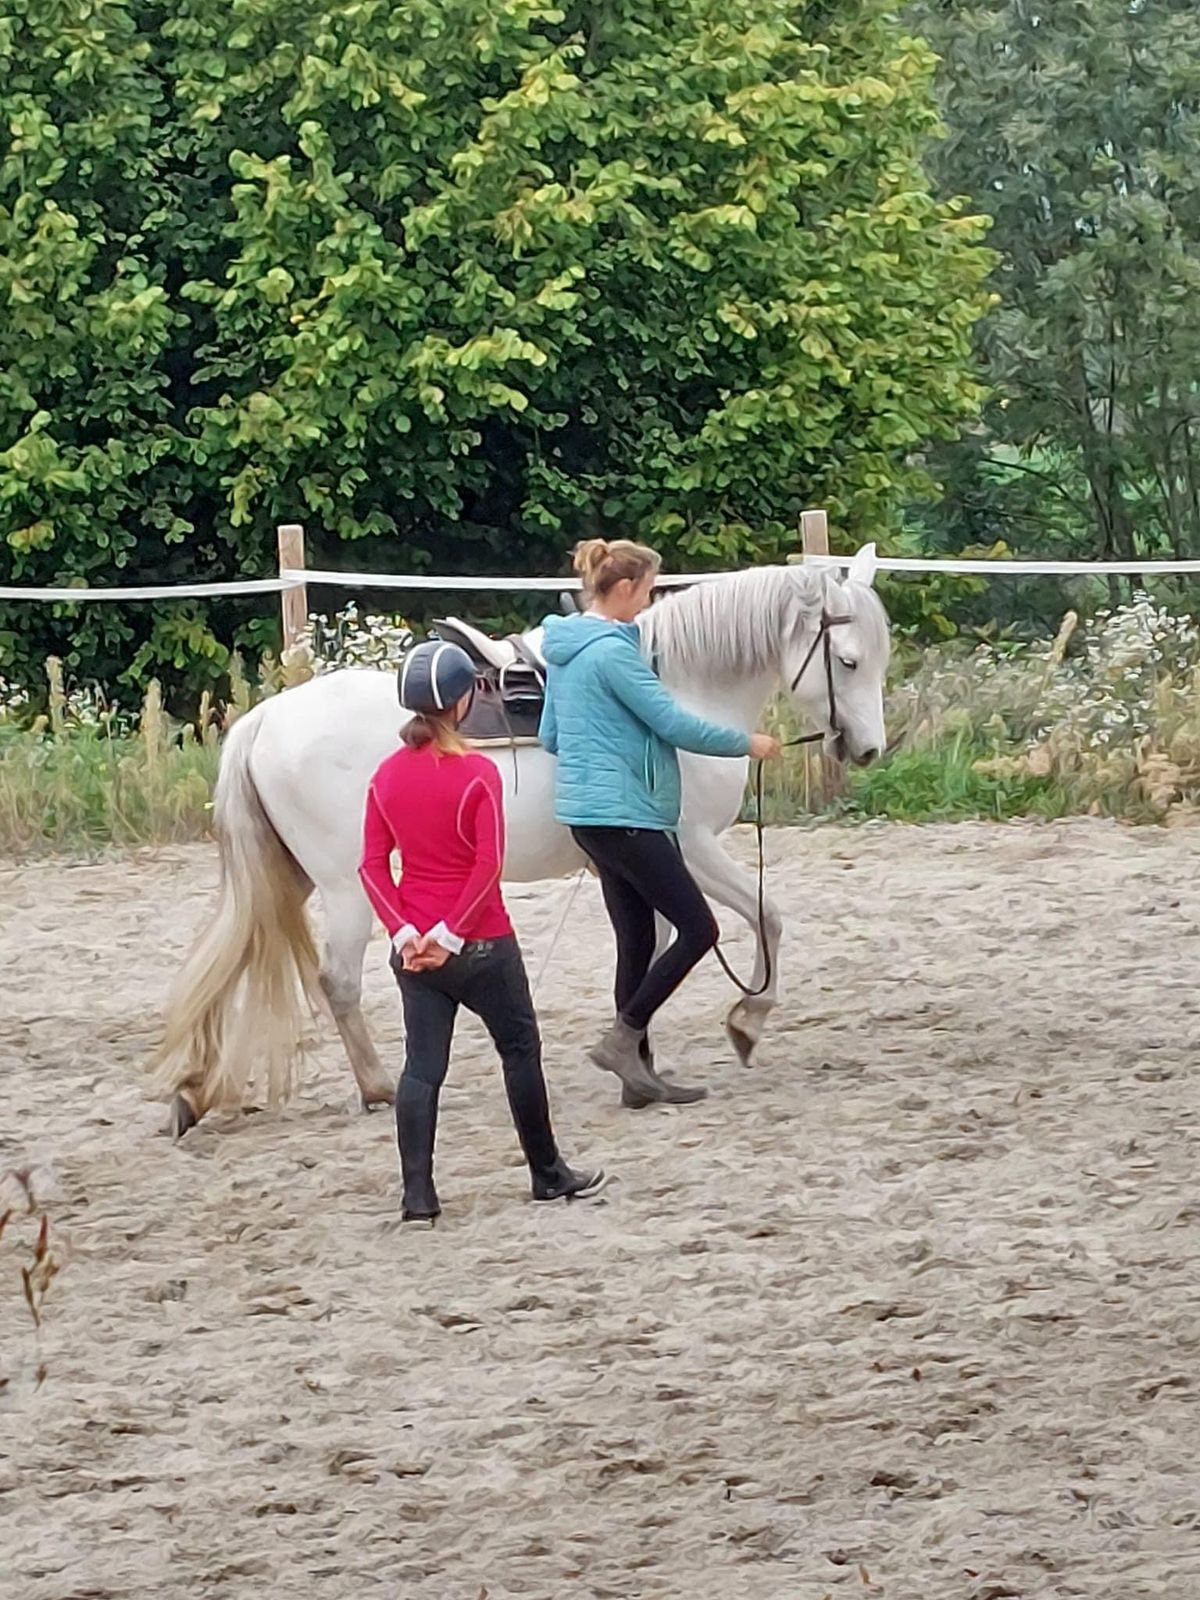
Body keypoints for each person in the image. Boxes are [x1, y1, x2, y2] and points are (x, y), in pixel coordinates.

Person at [360, 640, 604, 1223]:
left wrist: (404, 933)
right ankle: (547, 1173)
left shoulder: (385, 776)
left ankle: (418, 1195)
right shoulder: (477, 773)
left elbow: (372, 865)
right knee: (519, 1049)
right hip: (480, 939)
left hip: (414, 948)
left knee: (422, 1068)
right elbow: (487, 865)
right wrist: (450, 933)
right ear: (463, 701)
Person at [539, 539, 781, 1107]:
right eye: (647, 592)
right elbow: (673, 723)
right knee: (699, 930)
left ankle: (637, 1076)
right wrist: (746, 742)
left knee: (639, 939)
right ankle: (624, 1041)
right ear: (623, 589)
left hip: (586, 816)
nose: (649, 604)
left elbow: (552, 735)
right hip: (627, 815)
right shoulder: (614, 653)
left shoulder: (565, 649)